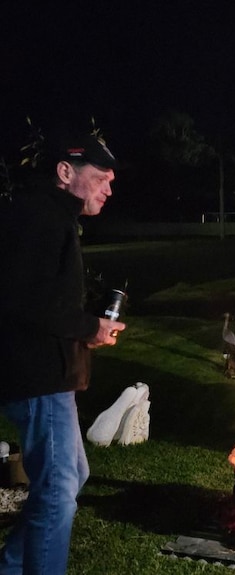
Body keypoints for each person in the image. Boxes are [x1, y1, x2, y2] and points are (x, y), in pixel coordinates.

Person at [0, 133, 126, 574]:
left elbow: (44, 298)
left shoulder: (52, 215)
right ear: (65, 171)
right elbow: (25, 301)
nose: (107, 190)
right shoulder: (41, 217)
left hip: (53, 374)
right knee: (57, 490)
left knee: (73, 475)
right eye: (100, 179)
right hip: (39, 376)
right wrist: (91, 326)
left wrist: (89, 328)